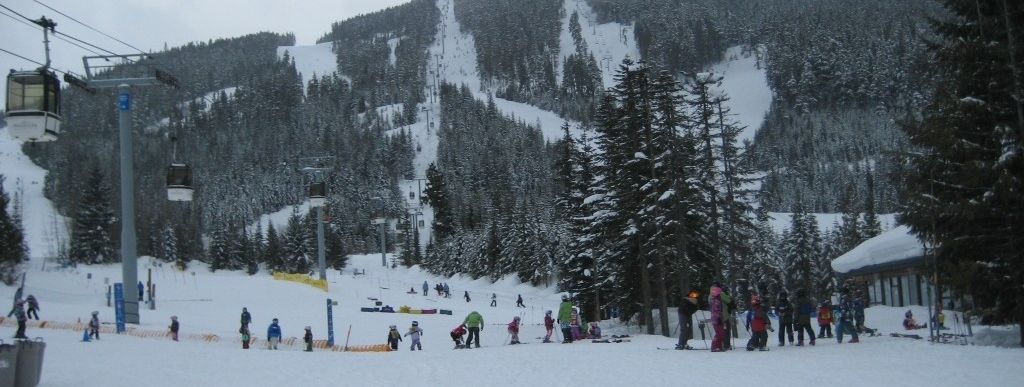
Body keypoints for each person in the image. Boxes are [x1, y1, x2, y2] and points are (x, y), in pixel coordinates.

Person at [709, 284, 725, 352]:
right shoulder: (715, 300)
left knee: (721, 333)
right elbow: (716, 310)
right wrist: (718, 317)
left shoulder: (718, 299)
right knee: (719, 333)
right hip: (716, 318)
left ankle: (719, 346)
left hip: (719, 317)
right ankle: (714, 347)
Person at [721, 286, 734, 350]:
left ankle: (726, 344)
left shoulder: (722, 295)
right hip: (724, 316)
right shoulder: (722, 294)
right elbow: (729, 301)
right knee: (726, 331)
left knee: (727, 330)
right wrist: (731, 299)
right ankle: (726, 345)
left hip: (726, 315)